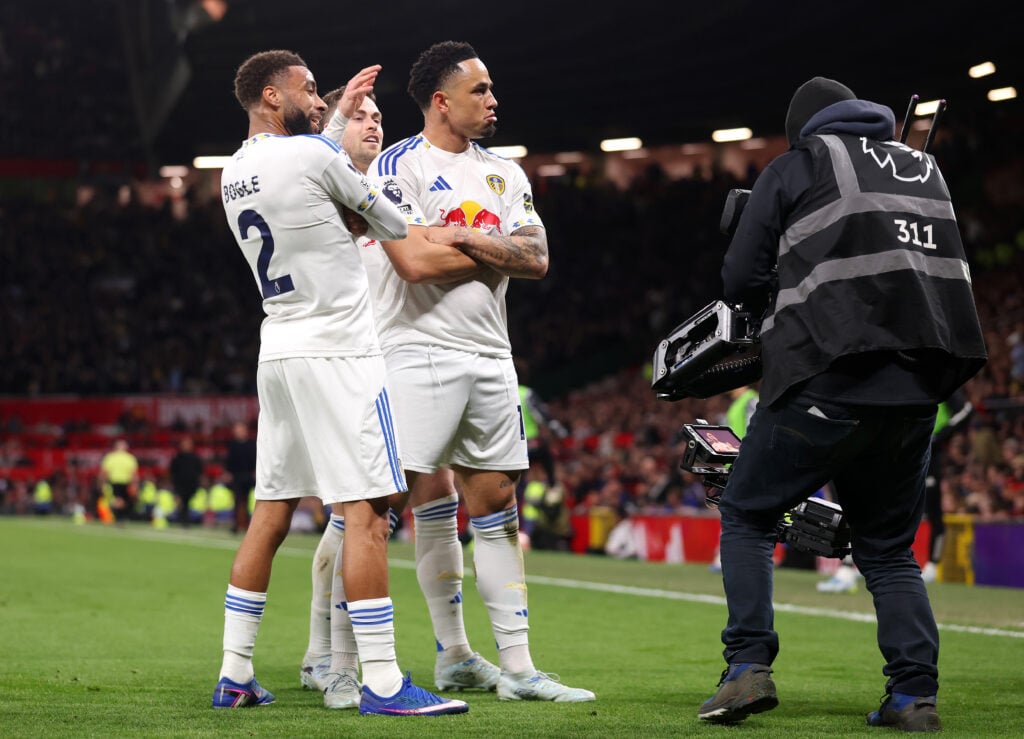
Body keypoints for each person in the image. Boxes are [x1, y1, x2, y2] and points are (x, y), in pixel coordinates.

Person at [698, 76, 986, 731]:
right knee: (888, 548)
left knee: (747, 510)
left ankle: (747, 667)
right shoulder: (922, 167)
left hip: (826, 377)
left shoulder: (799, 163)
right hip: (917, 391)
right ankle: (914, 697)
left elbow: (740, 280)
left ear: (806, 127)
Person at [210, 49, 466, 717]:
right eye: (310, 90)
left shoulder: (233, 172)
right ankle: (382, 680)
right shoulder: (316, 158)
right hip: (342, 354)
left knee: (270, 513)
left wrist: (333, 133)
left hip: (280, 351)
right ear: (272, 96)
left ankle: (235, 672)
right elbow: (387, 224)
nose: (322, 102)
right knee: (370, 510)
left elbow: (304, 176)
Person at [364, 40, 594, 702]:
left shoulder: (506, 173)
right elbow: (412, 263)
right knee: (383, 508)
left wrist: (461, 235)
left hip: (492, 356)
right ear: (442, 101)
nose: (494, 101)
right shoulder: (396, 165)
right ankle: (355, 660)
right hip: (416, 350)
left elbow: (540, 259)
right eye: (480, 91)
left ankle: (518, 668)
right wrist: (500, 249)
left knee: (497, 505)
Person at [223, 421, 257, 534]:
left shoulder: (251, 444)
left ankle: (247, 524)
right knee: (237, 501)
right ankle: (236, 524)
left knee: (246, 501)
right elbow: (229, 461)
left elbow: (255, 460)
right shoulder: (232, 445)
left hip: (247, 476)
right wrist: (228, 473)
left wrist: (254, 473)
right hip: (236, 477)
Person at [97, 438, 139, 523]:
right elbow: (134, 474)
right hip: (125, 482)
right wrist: (135, 484)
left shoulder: (110, 457)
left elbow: (104, 473)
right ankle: (119, 517)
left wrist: (101, 483)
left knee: (117, 501)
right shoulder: (130, 458)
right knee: (121, 501)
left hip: (114, 482)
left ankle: (117, 516)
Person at [169, 436, 204, 527]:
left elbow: (199, 471)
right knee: (182, 502)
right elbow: (173, 471)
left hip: (191, 484)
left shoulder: (195, 458)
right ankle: (183, 519)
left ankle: (185, 519)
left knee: (187, 503)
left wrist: (197, 482)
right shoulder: (177, 457)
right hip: (180, 484)